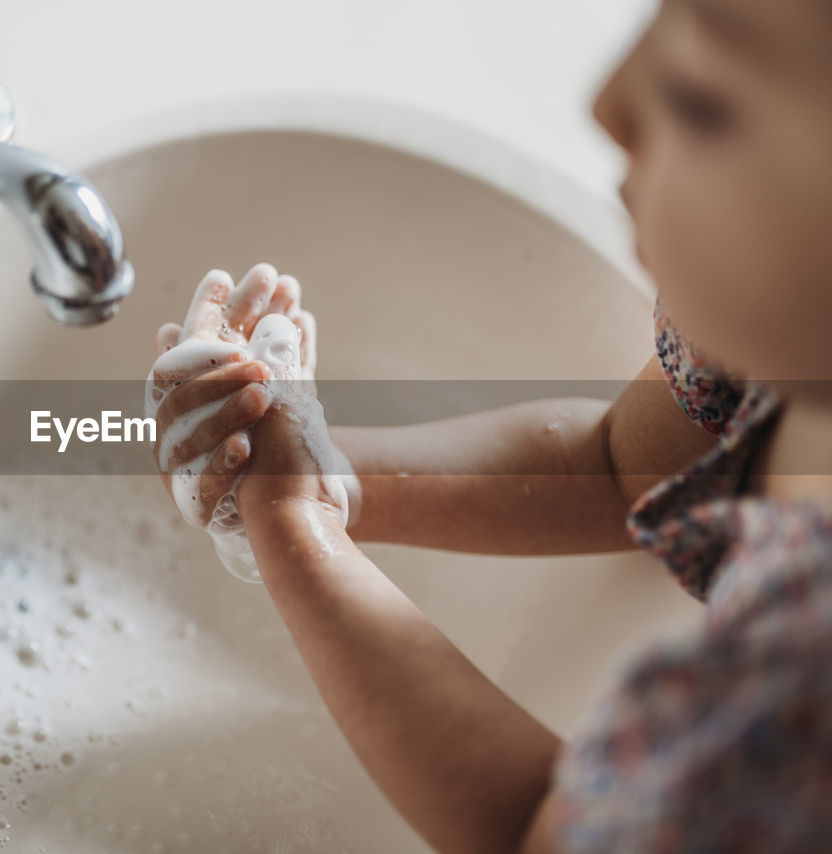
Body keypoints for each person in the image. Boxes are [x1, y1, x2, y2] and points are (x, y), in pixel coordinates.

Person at [145, 1, 832, 851]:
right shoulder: (781, 343)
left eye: (700, 94)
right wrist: (322, 472)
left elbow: (536, 832)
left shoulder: (808, 668)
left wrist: (292, 530)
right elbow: (623, 466)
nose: (607, 103)